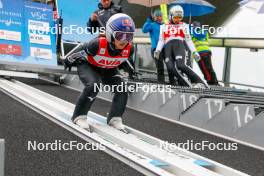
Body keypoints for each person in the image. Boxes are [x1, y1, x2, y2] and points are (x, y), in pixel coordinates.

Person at [64, 13, 136, 133]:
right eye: (120, 35)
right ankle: (79, 116)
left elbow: (126, 62)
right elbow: (79, 50)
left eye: (129, 37)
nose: (125, 40)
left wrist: (131, 72)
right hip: (89, 65)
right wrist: (67, 60)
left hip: (108, 68)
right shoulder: (97, 44)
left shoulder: (130, 49)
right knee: (93, 85)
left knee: (122, 88)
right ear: (110, 34)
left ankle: (115, 118)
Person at [154, 5, 208, 88]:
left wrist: (194, 52)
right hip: (168, 48)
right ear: (171, 16)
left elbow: (189, 40)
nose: (177, 20)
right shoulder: (164, 26)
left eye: (179, 18)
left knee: (181, 65)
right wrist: (157, 50)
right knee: (170, 68)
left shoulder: (184, 26)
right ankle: (186, 84)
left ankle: (202, 83)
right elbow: (161, 40)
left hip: (179, 45)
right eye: (175, 17)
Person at [142, 10, 166, 83]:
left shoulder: (165, 25)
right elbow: (144, 30)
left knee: (170, 66)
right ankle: (161, 83)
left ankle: (172, 81)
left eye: (160, 16)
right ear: (154, 17)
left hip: (165, 48)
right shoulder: (152, 25)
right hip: (155, 49)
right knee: (160, 67)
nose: (159, 18)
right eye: (157, 16)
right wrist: (149, 20)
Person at [191, 21, 219, 86]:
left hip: (197, 53)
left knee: (203, 68)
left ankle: (211, 82)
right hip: (206, 51)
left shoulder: (192, 33)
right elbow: (207, 40)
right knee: (209, 68)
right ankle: (214, 82)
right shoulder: (204, 32)